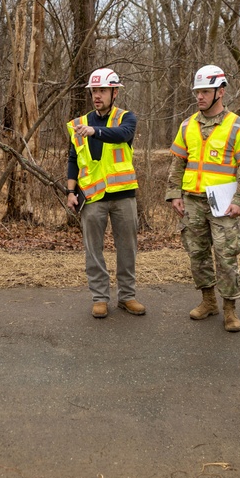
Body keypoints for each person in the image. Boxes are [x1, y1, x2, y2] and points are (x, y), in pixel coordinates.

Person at [165, 64, 240, 332]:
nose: (199, 96)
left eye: (205, 91)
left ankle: (230, 309)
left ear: (221, 92)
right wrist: (174, 194)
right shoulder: (187, 125)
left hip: (224, 204)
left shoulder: (238, 126)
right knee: (197, 253)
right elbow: (178, 162)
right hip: (192, 201)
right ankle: (208, 301)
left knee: (226, 255)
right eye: (197, 92)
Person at [66, 68, 145, 318]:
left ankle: (127, 296)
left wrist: (95, 131)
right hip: (92, 198)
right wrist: (70, 191)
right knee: (93, 250)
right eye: (94, 91)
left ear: (114, 93)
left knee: (127, 249)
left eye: (102, 91)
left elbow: (124, 134)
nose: (97, 95)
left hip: (123, 195)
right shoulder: (79, 123)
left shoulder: (126, 118)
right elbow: (73, 159)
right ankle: (99, 298)